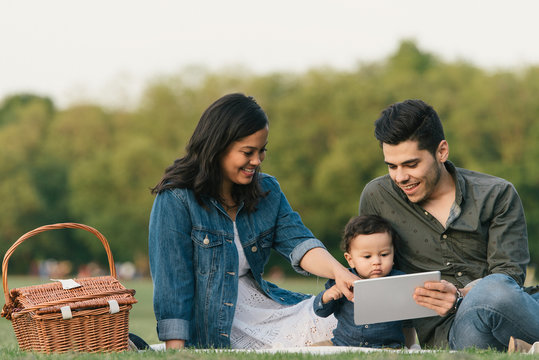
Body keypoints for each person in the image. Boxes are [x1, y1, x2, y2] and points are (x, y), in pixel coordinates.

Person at [148, 93, 359, 349]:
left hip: (260, 308)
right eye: (248, 152)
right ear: (217, 147)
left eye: (262, 151)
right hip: (212, 321)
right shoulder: (176, 198)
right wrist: (176, 352)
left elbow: (299, 241)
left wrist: (339, 272)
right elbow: (173, 285)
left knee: (351, 323)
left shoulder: (267, 189)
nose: (257, 161)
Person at [358, 99, 539, 351]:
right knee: (493, 291)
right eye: (392, 166)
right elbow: (375, 276)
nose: (400, 177)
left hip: (516, 307)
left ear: (442, 151)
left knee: (497, 290)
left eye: (411, 164)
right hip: (454, 329)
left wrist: (460, 294)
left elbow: (509, 275)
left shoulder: (497, 194)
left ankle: (524, 347)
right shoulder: (377, 197)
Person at [313, 215, 417, 348]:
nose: (376, 262)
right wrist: (327, 297)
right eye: (367, 256)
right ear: (350, 259)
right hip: (342, 344)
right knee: (312, 351)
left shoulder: (399, 281)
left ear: (393, 254)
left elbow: (410, 316)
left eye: (384, 254)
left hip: (387, 347)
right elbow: (321, 311)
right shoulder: (343, 280)